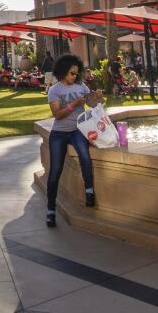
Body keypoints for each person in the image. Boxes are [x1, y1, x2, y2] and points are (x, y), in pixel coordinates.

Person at [44, 54, 103, 228]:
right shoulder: (54, 90)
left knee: (85, 157)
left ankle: (89, 190)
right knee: (55, 171)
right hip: (60, 133)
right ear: (63, 72)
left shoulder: (81, 86)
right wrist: (75, 103)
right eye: (71, 73)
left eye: (76, 73)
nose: (74, 76)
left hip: (78, 130)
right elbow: (57, 114)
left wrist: (97, 97)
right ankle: (50, 210)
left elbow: (92, 105)